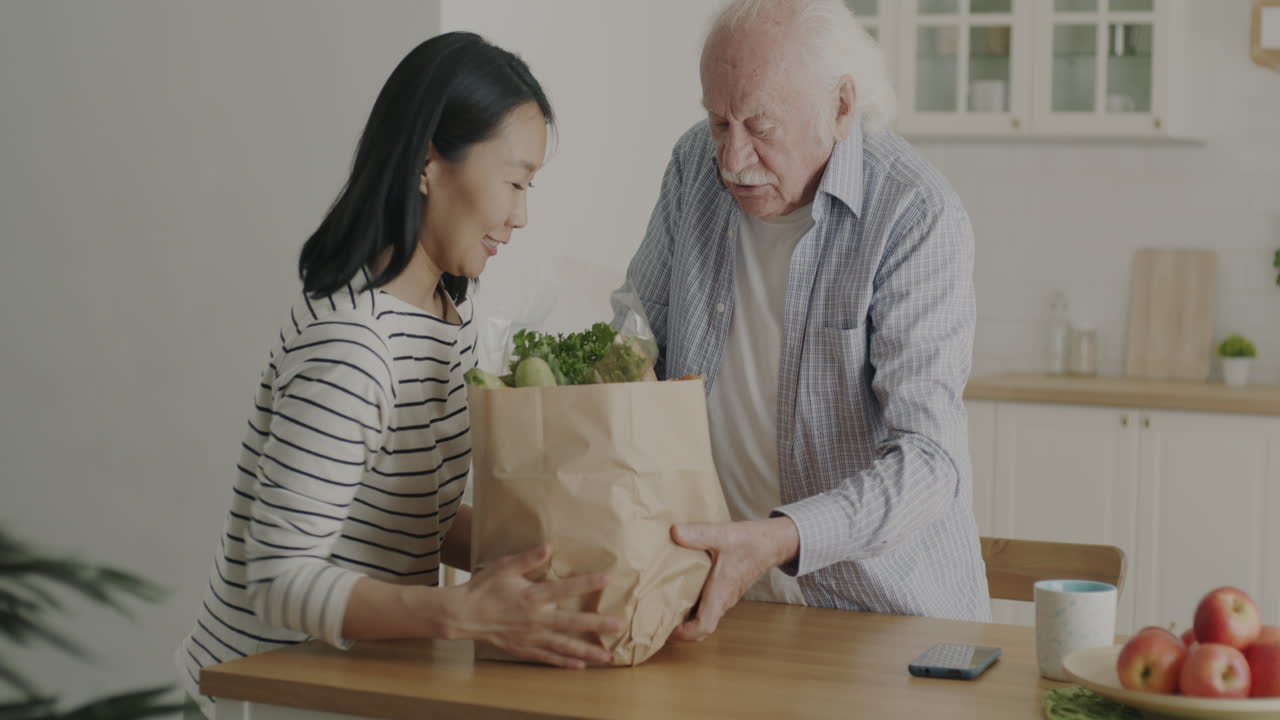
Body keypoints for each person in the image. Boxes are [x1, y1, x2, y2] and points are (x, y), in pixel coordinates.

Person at [175, 32, 621, 717]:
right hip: (267, 691)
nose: (521, 214)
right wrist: (462, 613)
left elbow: (412, 518)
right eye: (514, 180)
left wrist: (561, 559)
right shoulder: (354, 346)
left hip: (354, 682)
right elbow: (278, 579)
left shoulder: (447, 317)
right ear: (427, 162)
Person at [623, 0, 990, 642]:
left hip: (884, 620)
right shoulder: (694, 167)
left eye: (760, 126)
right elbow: (638, 332)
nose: (733, 158)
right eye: (718, 122)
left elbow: (930, 460)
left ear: (841, 107)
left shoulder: (914, 212)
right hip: (723, 607)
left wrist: (780, 538)